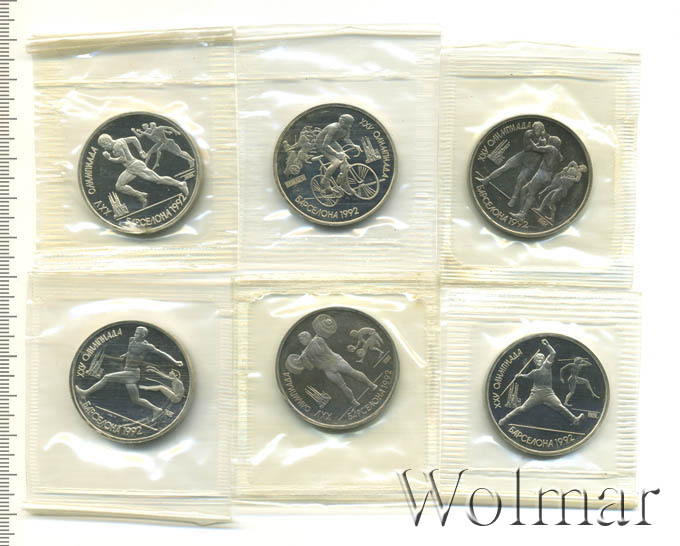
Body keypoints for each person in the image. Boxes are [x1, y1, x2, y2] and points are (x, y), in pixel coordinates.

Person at [75, 326, 184, 421]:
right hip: (129, 373)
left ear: (143, 335)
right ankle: (156, 409)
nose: (135, 334)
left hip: (132, 373)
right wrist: (125, 354)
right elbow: (131, 351)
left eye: (138, 333)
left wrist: (175, 361)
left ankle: (85, 393)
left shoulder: (146, 346)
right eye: (135, 332)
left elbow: (161, 353)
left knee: (106, 377)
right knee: (136, 400)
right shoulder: (131, 340)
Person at [286, 314, 377, 407]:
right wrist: (304, 359)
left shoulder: (318, 340)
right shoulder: (306, 353)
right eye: (300, 341)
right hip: (328, 369)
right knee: (342, 386)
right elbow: (311, 367)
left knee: (353, 373)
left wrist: (310, 347)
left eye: (302, 339)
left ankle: (371, 385)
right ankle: (353, 401)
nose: (301, 341)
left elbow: (320, 351)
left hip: (336, 362)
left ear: (307, 337)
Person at [498, 338, 584, 427]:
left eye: (541, 358)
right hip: (535, 394)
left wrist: (547, 345)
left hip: (549, 394)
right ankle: (505, 419)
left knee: (560, 406)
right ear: (534, 361)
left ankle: (575, 420)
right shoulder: (533, 372)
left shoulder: (546, 366)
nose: (539, 360)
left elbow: (553, 353)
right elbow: (526, 376)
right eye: (537, 358)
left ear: (544, 360)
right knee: (523, 408)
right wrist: (519, 375)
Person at [98, 133, 188, 208]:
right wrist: (140, 151)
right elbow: (134, 139)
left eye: (104, 146)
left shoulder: (116, 147)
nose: (105, 149)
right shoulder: (120, 140)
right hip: (130, 169)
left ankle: (180, 184)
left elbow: (122, 159)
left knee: (158, 179)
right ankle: (141, 196)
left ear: (107, 142)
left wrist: (109, 158)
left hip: (136, 166)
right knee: (119, 186)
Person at [475, 121, 548, 207]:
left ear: (542, 130)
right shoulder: (528, 133)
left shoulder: (545, 139)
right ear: (533, 128)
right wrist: (538, 145)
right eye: (536, 128)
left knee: (520, 180)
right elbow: (528, 148)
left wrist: (539, 145)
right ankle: (486, 180)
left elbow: (542, 151)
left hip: (532, 162)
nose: (537, 130)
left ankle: (513, 200)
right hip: (523, 155)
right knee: (505, 167)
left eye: (539, 129)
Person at [510, 135, 564, 220]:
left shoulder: (550, 148)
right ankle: (521, 211)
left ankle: (522, 214)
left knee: (531, 194)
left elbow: (536, 148)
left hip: (541, 174)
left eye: (549, 140)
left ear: (552, 142)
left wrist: (531, 140)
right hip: (548, 175)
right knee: (524, 189)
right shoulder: (559, 155)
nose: (548, 141)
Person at [315, 114, 362, 197]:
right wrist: (336, 154)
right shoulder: (333, 127)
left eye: (351, 124)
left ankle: (344, 183)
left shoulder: (346, 128)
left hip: (332, 142)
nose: (350, 126)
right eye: (348, 124)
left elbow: (346, 138)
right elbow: (325, 145)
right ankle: (324, 181)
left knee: (344, 159)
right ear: (342, 121)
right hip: (321, 144)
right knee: (336, 162)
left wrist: (353, 145)